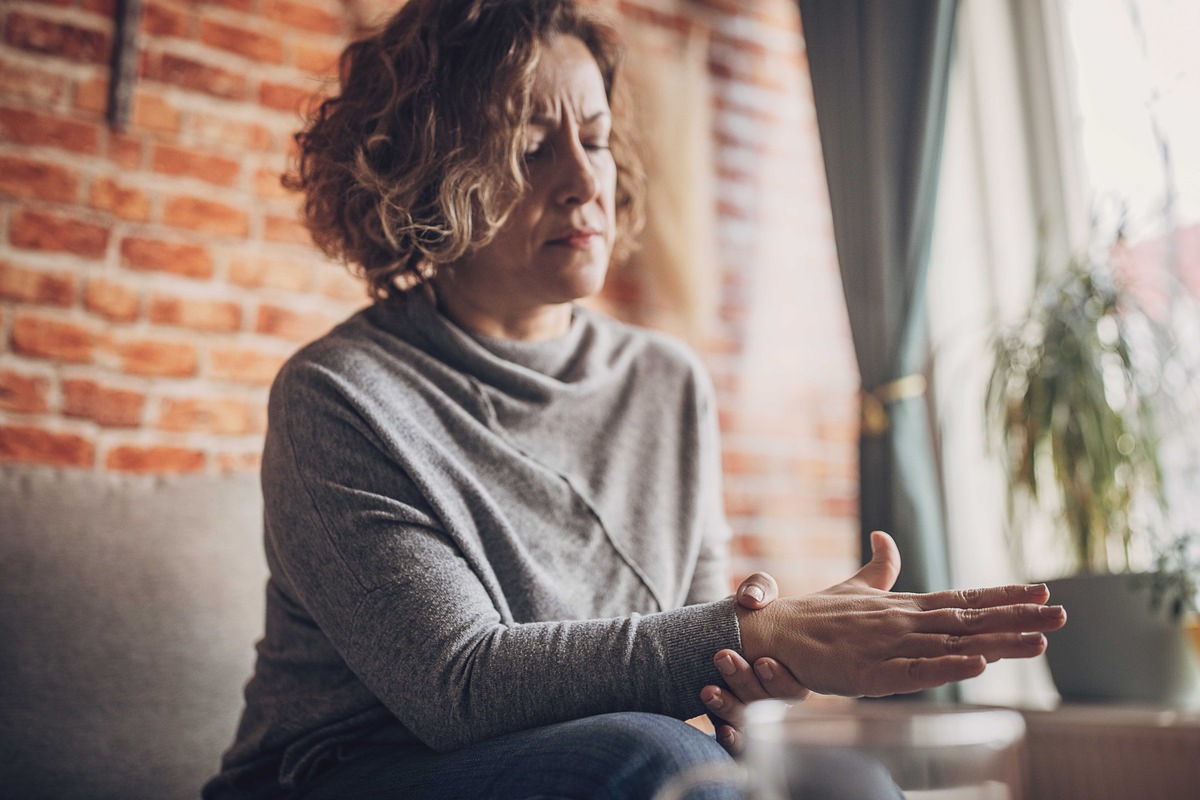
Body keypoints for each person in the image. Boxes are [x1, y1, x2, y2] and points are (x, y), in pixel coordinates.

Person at [203, 2, 1066, 798]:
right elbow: (456, 685)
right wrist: (755, 634)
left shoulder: (666, 382)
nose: (585, 181)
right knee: (652, 760)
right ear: (432, 176)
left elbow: (691, 648)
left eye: (598, 138)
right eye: (532, 146)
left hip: (606, 748)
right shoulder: (340, 395)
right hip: (350, 768)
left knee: (851, 786)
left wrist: (743, 683)